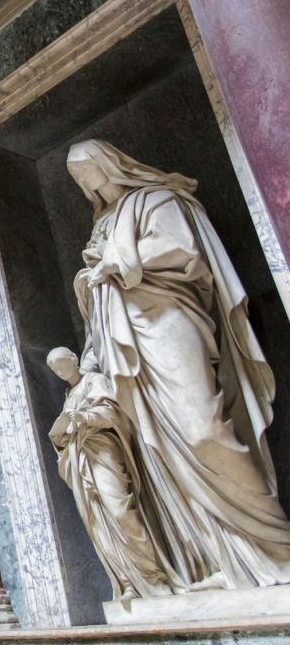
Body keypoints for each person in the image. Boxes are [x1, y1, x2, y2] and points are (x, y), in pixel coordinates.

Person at [66, 140, 290, 591]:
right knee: (156, 449)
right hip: (121, 341)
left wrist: (112, 263)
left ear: (109, 162)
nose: (84, 181)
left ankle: (275, 547)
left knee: (202, 429)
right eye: (76, 177)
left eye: (87, 169)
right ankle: (212, 559)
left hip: (167, 320)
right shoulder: (103, 223)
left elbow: (179, 249)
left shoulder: (156, 199)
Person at [47, 347, 181, 600]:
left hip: (102, 451)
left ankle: (154, 577)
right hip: (81, 458)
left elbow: (112, 413)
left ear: (74, 360)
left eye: (61, 364)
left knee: (121, 511)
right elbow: (67, 433)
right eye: (54, 369)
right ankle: (127, 582)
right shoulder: (69, 395)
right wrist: (62, 436)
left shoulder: (94, 381)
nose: (59, 371)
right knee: (99, 522)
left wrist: (84, 415)